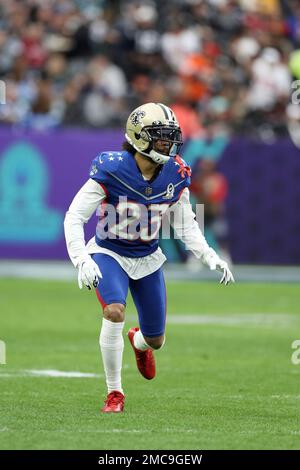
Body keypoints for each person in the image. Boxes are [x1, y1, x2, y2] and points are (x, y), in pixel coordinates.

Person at [64, 102, 234, 413]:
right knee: (114, 311)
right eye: (160, 138)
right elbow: (74, 216)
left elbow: (184, 223)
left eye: (170, 138)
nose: (168, 144)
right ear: (139, 138)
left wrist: (209, 255)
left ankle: (138, 341)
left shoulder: (176, 171)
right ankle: (115, 393)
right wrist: (82, 259)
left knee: (156, 339)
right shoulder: (113, 167)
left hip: (147, 257)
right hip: (109, 252)